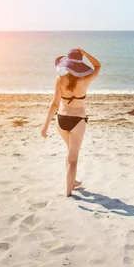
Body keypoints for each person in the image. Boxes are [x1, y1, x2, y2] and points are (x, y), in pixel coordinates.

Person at [41, 48, 101, 197]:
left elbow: (54, 104)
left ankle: (72, 182)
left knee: (69, 153)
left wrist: (45, 126)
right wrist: (86, 54)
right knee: (73, 158)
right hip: (77, 120)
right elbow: (98, 66)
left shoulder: (60, 80)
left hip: (61, 119)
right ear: (80, 65)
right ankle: (68, 192)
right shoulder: (86, 79)